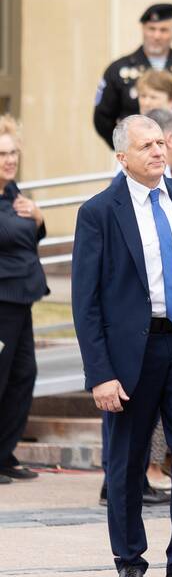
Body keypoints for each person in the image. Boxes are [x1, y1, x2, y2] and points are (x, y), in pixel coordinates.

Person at [71, 114, 172, 577]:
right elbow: (85, 300)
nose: (159, 151)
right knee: (127, 460)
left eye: (162, 142)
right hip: (129, 352)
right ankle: (129, 562)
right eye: (146, 146)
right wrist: (100, 374)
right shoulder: (99, 212)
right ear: (122, 157)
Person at [94, 3, 172, 147]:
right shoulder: (118, 69)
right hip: (135, 154)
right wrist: (125, 147)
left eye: (163, 30)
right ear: (143, 30)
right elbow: (102, 118)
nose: (157, 35)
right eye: (151, 29)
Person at [0, 115, 47, 484]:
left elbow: (30, 235)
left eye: (13, 152)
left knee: (22, 375)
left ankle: (5, 453)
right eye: (2, 154)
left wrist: (38, 214)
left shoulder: (13, 191)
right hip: (2, 299)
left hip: (22, 298)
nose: (9, 159)